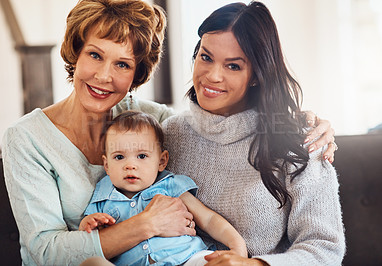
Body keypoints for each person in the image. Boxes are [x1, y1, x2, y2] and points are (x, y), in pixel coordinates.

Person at [1, 0, 336, 265]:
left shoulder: (156, 124)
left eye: (122, 64)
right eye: (95, 55)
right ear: (76, 52)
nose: (104, 76)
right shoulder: (28, 139)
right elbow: (43, 253)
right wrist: (147, 224)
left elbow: (220, 125)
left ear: (136, 75)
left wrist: (299, 121)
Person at [161, 1, 345, 265]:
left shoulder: (301, 141)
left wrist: (254, 264)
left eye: (233, 66)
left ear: (257, 74)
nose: (212, 76)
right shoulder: (169, 134)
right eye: (206, 57)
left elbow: (325, 249)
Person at [79, 110, 247, 265]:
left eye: (142, 156)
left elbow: (209, 220)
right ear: (106, 165)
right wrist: (87, 225)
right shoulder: (102, 197)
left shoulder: (170, 186)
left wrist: (237, 248)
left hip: (187, 258)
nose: (130, 165)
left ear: (161, 161)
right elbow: (89, 242)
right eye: (119, 157)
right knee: (92, 263)